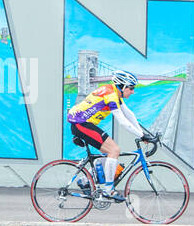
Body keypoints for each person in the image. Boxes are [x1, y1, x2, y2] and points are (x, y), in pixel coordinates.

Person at [66, 70, 156, 198]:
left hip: (82, 124)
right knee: (114, 150)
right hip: (81, 124)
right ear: (122, 86)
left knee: (110, 153)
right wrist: (141, 136)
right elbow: (123, 121)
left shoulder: (113, 92)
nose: (133, 91)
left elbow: (129, 114)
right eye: (131, 88)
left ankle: (85, 181)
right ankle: (109, 190)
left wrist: (143, 134)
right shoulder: (111, 95)